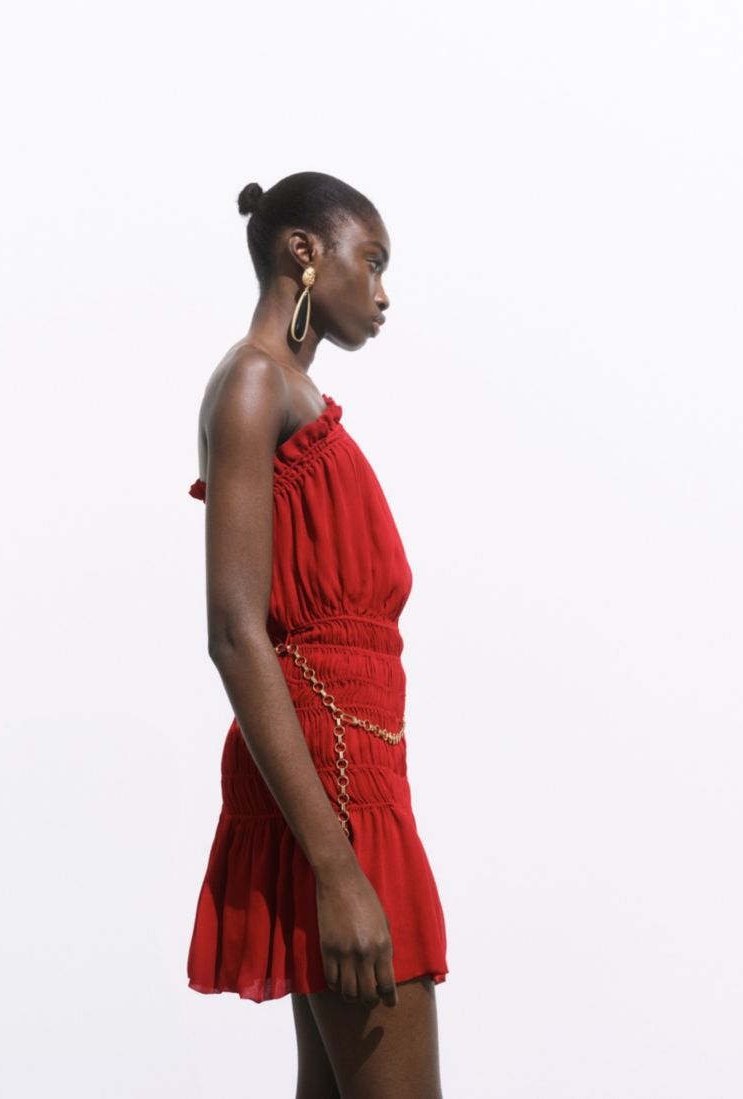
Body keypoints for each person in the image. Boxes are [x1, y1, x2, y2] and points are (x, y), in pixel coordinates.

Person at [185, 171, 448, 1097]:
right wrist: (337, 868)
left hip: (355, 776)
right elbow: (234, 630)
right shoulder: (255, 381)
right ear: (302, 250)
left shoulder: (289, 392)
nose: (383, 292)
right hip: (333, 795)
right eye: (370, 261)